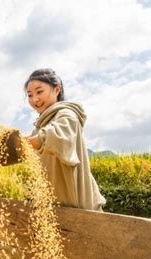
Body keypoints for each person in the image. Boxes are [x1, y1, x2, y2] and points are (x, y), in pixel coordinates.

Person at [24, 68, 106, 211]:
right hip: (52, 206)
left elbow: (57, 134)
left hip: (77, 207)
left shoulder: (67, 114)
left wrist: (29, 141)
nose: (34, 99)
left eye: (39, 92)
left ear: (57, 90)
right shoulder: (39, 126)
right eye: (30, 95)